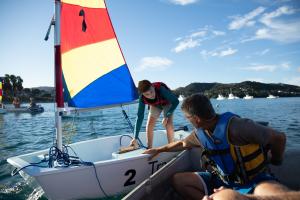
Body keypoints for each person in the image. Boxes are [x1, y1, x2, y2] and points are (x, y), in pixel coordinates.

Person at [144, 93, 295, 200]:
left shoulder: (238, 126)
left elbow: (278, 138)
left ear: (196, 119)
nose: (188, 121)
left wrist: (276, 160)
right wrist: (159, 149)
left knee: (273, 195)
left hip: (256, 180)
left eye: (187, 118)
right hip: (221, 181)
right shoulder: (200, 134)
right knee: (178, 181)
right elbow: (182, 143)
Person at [130, 80, 179, 149]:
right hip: (155, 105)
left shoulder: (161, 89)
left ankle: (171, 146)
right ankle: (149, 147)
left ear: (152, 86)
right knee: (149, 125)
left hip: (167, 103)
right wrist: (135, 137)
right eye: (147, 94)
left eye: (151, 91)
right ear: (142, 94)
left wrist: (166, 116)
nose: (151, 95)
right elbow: (139, 116)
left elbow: (176, 101)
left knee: (168, 124)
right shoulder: (142, 98)